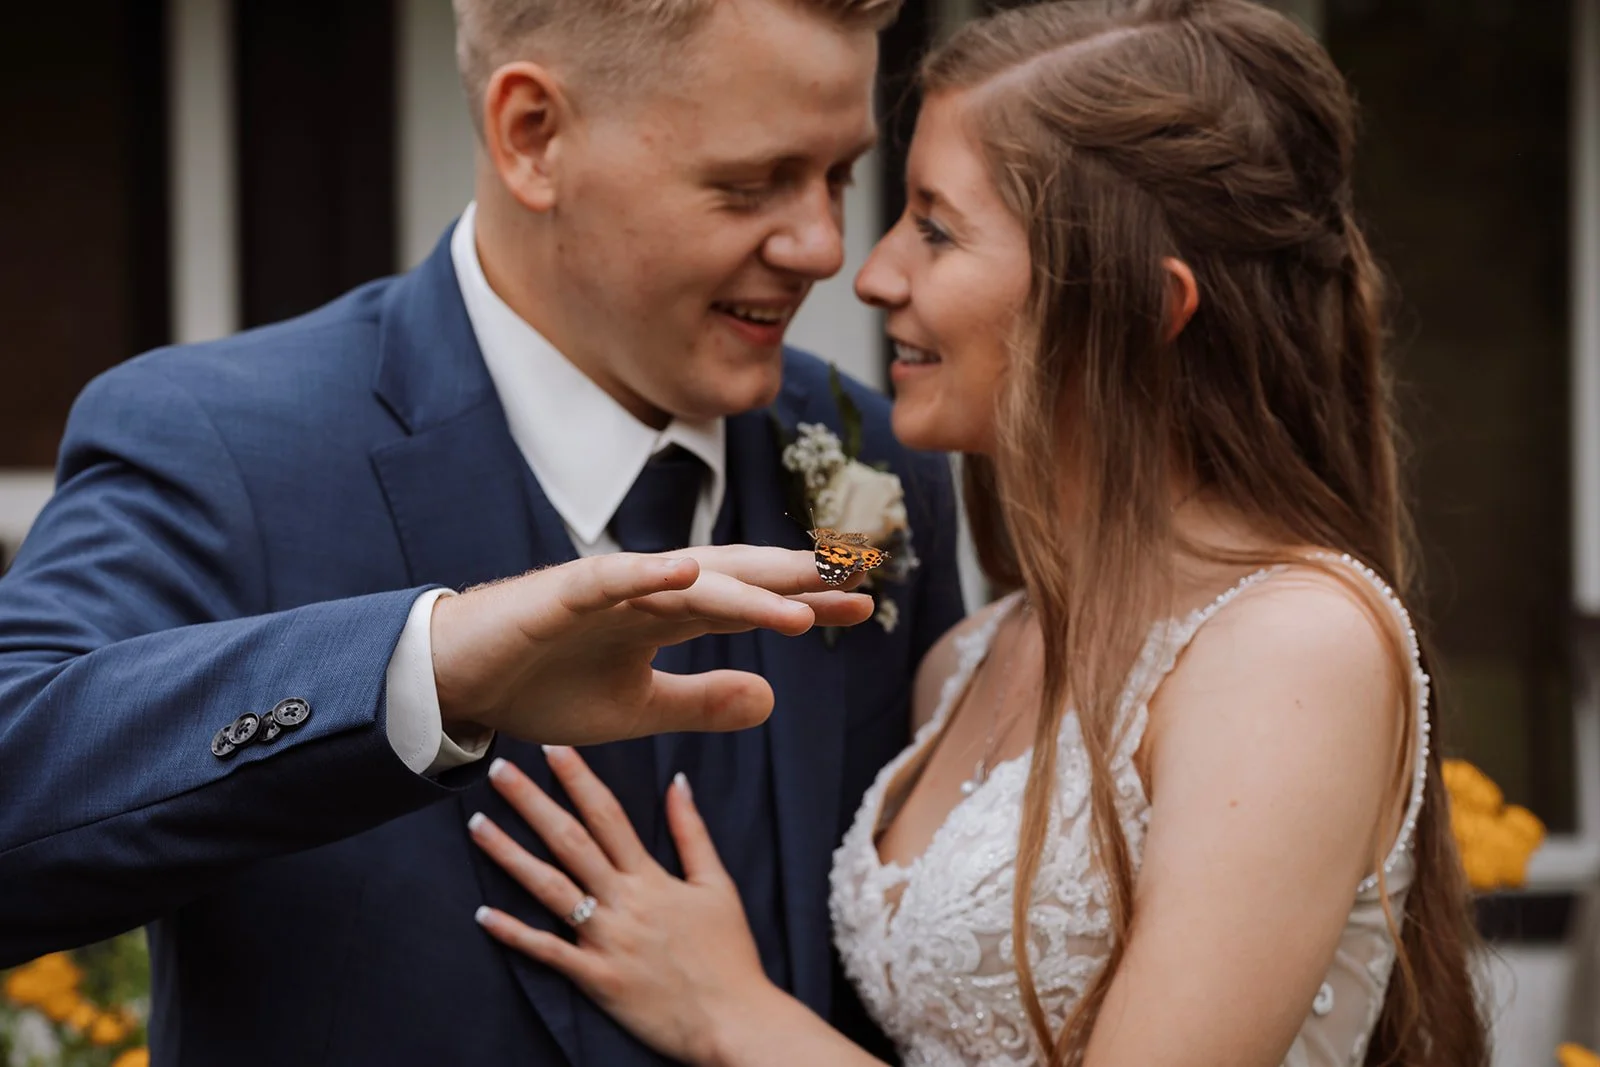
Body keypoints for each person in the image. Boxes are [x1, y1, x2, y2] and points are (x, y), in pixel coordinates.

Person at [466, 1, 1492, 1064]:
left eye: (936, 228)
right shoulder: (962, 658)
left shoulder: (1292, 647)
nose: (867, 272)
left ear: (1142, 304)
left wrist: (735, 1016)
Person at [0, 0, 967, 1063]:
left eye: (837, 175)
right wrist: (427, 670)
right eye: (750, 183)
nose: (822, 246)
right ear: (532, 136)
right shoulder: (221, 444)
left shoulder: (867, 464)